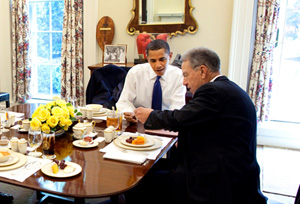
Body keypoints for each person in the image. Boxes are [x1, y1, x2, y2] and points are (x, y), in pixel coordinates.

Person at [133, 47, 267, 204]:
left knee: (139, 181)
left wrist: (150, 115)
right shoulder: (227, 88)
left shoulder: (212, 91)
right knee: (152, 169)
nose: (184, 82)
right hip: (235, 171)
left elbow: (180, 118)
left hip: (220, 180)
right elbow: (206, 124)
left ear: (203, 71)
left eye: (186, 75)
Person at [116, 39, 186, 122]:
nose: (158, 65)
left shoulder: (178, 75)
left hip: (167, 122)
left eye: (162, 59)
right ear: (147, 58)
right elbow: (124, 101)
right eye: (153, 61)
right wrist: (129, 113)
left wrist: (159, 118)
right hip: (139, 122)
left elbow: (177, 107)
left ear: (170, 56)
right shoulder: (135, 72)